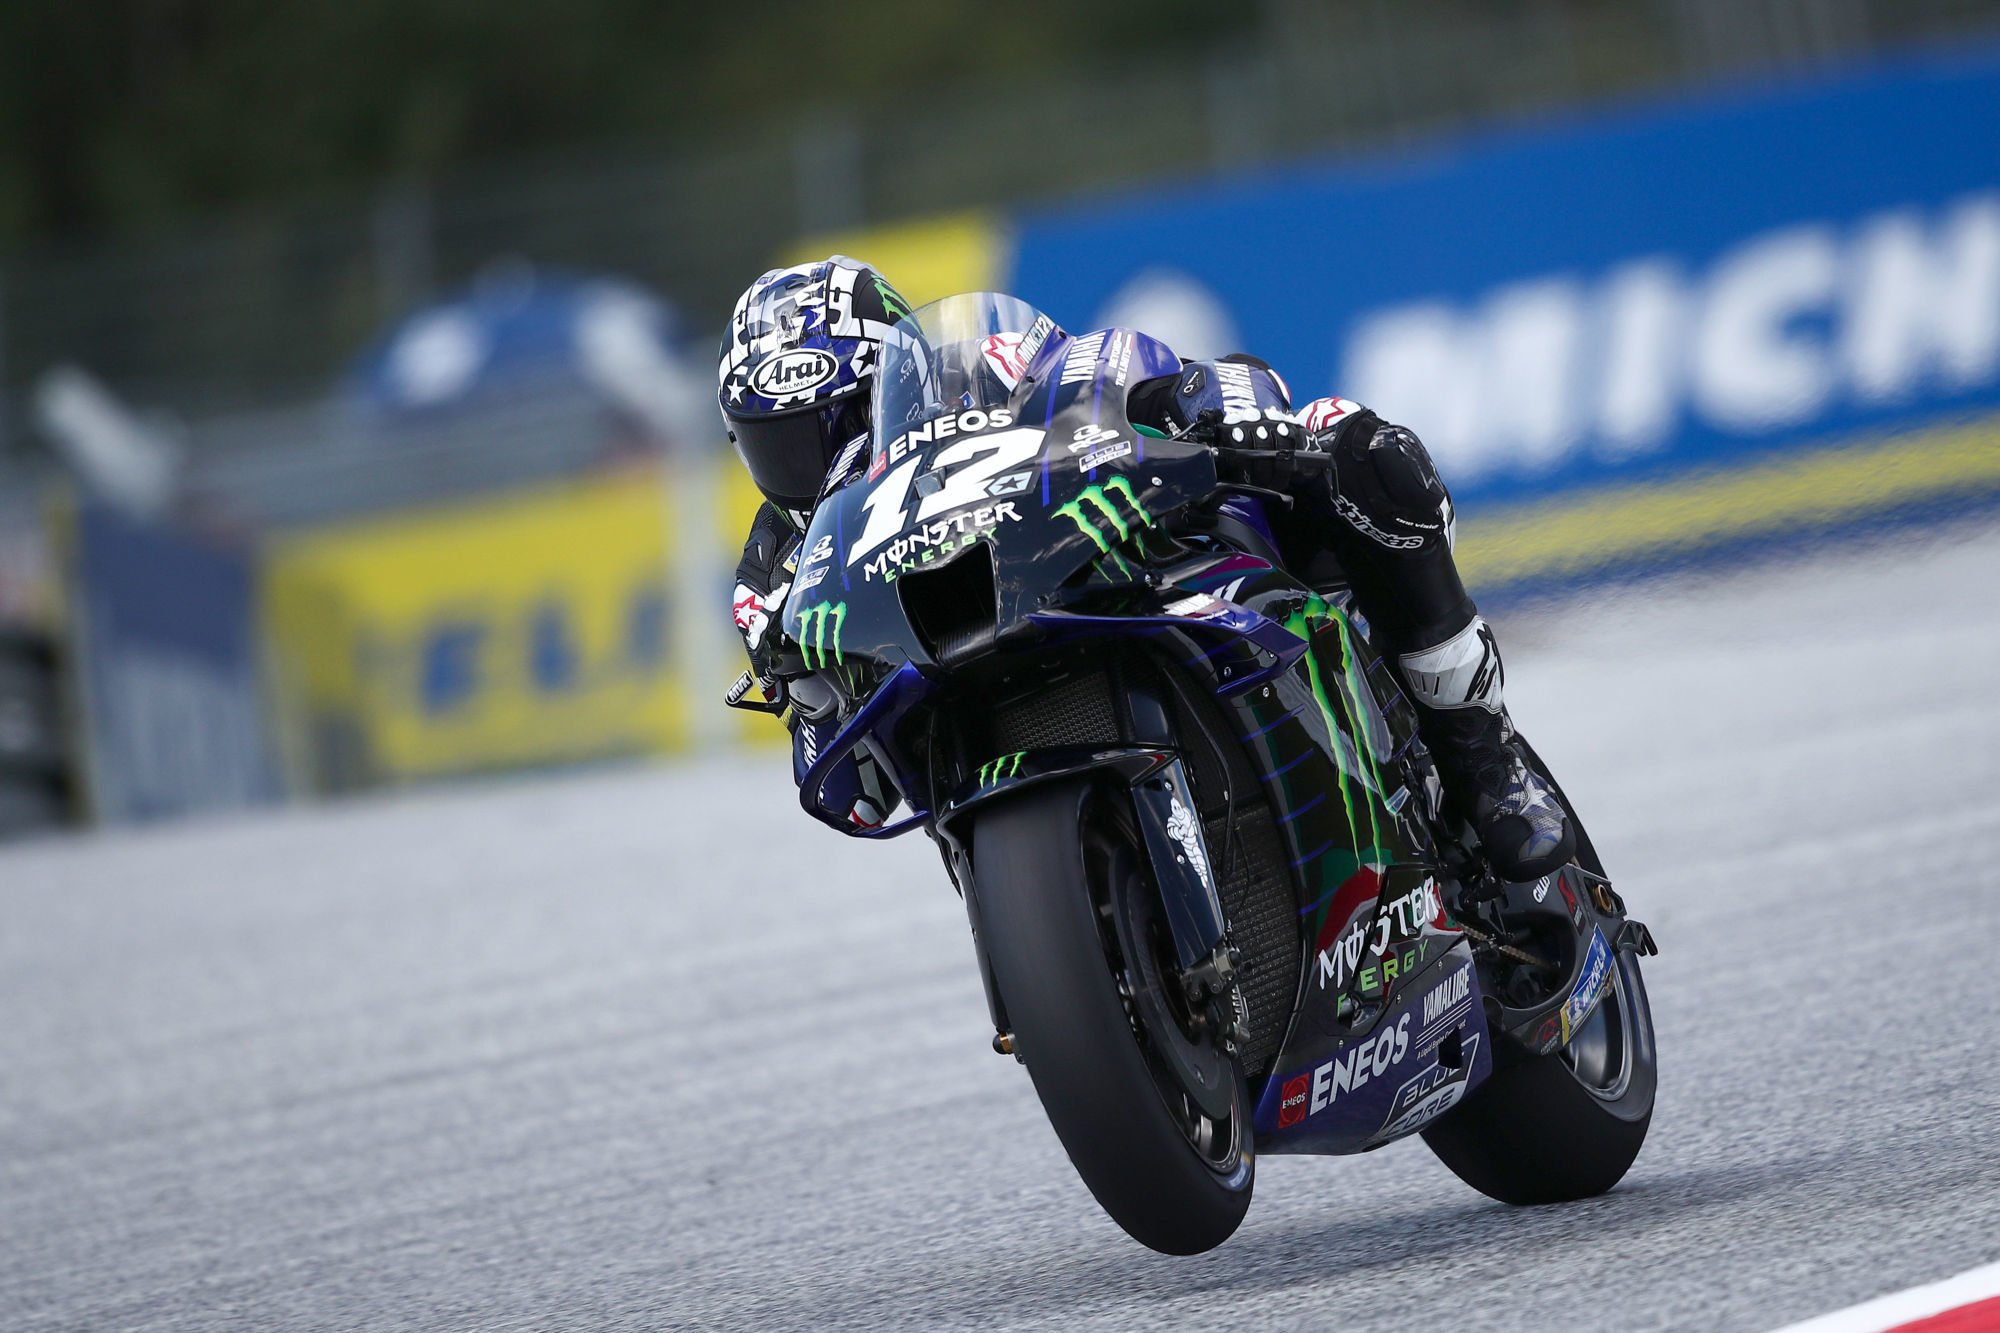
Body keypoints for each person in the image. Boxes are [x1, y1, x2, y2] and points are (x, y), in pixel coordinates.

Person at [718, 255, 1573, 880]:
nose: (816, 463)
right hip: (980, 752)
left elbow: (1125, 376)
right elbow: (852, 796)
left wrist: (1216, 407)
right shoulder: (779, 581)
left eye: (837, 422)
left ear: (894, 378)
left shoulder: (986, 379)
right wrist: (814, 698)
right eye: (777, 447)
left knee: (1358, 447)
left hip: (1097, 580)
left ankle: (1481, 755)